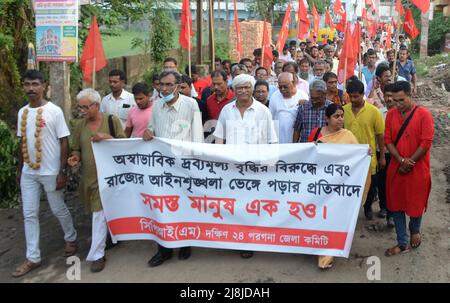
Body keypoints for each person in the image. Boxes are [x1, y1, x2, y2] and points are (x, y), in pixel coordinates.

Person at [12, 70, 77, 278]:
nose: (31, 88)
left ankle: (71, 236)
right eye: (27, 84)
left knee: (57, 208)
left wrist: (62, 172)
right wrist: (20, 170)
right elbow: (22, 142)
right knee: (29, 214)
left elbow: (63, 141)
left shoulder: (54, 111)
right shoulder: (22, 112)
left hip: (51, 171)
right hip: (29, 172)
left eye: (35, 84)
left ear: (44, 86)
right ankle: (33, 257)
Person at [143, 71, 203, 267]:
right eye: (162, 85)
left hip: (184, 165)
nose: (165, 89)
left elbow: (197, 137)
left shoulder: (191, 104)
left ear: (178, 85)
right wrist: (149, 132)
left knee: (184, 205)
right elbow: (152, 128)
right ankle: (164, 250)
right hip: (162, 168)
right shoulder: (157, 106)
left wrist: (195, 165)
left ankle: (185, 244)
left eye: (169, 85)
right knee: (163, 206)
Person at [214, 74, 278, 259]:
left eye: (246, 87)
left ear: (252, 88)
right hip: (232, 168)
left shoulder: (263, 111)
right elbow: (219, 138)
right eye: (239, 88)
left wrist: (269, 166)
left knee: (252, 204)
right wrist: (220, 162)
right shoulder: (227, 110)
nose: (243, 91)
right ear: (233, 90)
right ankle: (236, 237)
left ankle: (248, 241)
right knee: (234, 204)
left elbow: (271, 141)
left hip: (255, 169)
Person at [68, 88, 126, 273]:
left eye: (85, 107)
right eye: (80, 107)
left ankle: (97, 255)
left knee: (98, 215)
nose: (82, 111)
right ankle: (110, 239)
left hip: (109, 178)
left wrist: (107, 137)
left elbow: (124, 144)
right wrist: (75, 157)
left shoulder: (111, 120)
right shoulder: (79, 126)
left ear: (96, 105)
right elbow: (76, 148)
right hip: (90, 178)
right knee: (99, 214)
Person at [307, 103, 361, 269]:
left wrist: (366, 154)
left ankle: (327, 254)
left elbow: (356, 156)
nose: (340, 119)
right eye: (336, 116)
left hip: (339, 187)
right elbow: (307, 157)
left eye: (342, 116)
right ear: (327, 119)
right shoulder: (316, 134)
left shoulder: (348, 135)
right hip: (319, 186)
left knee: (334, 218)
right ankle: (317, 246)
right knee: (319, 217)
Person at [384, 81, 434, 256]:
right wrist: (400, 160)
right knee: (396, 205)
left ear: (410, 94)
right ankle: (402, 242)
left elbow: (426, 142)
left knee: (415, 203)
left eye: (401, 100)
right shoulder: (391, 115)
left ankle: (415, 230)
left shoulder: (424, 115)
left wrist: (409, 162)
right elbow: (388, 140)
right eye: (394, 100)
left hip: (417, 169)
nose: (397, 104)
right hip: (396, 168)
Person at [343, 79, 386, 220]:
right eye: (351, 96)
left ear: (363, 94)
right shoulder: (343, 111)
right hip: (348, 158)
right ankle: (349, 211)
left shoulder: (374, 112)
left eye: (357, 96)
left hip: (368, 157)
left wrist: (382, 157)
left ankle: (367, 208)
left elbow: (380, 135)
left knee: (371, 186)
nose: (353, 99)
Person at [270, 72, 308, 143]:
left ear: (293, 83)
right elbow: (270, 118)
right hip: (278, 139)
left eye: (285, 86)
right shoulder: (274, 96)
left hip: (296, 139)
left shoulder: (303, 96)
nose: (282, 89)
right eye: (280, 87)